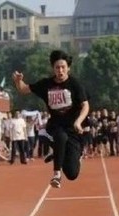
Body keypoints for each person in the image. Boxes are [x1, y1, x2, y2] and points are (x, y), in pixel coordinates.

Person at [12, 49, 89, 188]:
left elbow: (85, 105)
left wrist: (78, 121)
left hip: (72, 129)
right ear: (53, 68)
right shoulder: (46, 84)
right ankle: (56, 175)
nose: (60, 71)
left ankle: (62, 154)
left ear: (68, 68)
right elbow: (24, 89)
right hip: (55, 127)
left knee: (72, 174)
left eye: (63, 67)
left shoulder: (75, 84)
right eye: (57, 67)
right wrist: (18, 81)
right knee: (60, 137)